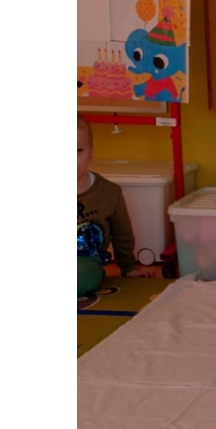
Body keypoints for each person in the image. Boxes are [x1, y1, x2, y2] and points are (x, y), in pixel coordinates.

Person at [78, 115, 159, 296]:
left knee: (84, 276)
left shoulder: (109, 192)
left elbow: (122, 232)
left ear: (91, 152)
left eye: (77, 150)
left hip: (85, 264)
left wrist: (127, 266)